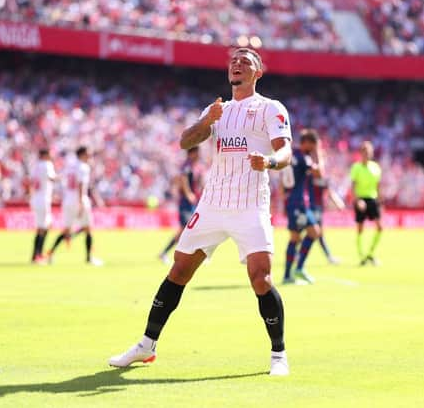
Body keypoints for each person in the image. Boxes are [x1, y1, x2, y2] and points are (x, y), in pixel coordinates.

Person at [109, 48, 293, 376]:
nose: (237, 64)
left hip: (250, 205)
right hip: (212, 204)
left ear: (258, 72)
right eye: (234, 61)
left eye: (246, 61)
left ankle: (278, 354)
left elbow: (286, 153)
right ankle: (146, 345)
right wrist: (208, 121)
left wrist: (268, 162)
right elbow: (185, 141)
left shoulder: (270, 108)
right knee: (178, 271)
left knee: (260, 278)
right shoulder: (216, 109)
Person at [47, 146, 102, 266]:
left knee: (66, 230)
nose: (89, 156)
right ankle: (89, 258)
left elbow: (61, 178)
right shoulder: (83, 167)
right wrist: (82, 202)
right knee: (88, 229)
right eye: (88, 154)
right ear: (82, 154)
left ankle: (50, 253)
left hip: (67, 201)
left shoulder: (70, 165)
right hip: (79, 200)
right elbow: (81, 184)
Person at [280, 129, 321, 285]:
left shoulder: (292, 155)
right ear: (308, 143)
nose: (313, 148)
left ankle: (289, 274)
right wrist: (319, 154)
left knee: (298, 237)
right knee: (311, 233)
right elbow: (319, 174)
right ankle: (296, 270)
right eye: (313, 145)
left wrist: (284, 201)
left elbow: (284, 181)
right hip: (299, 203)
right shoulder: (304, 158)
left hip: (293, 202)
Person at [158, 146, 204, 265]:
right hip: (185, 202)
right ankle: (167, 253)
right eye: (197, 153)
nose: (199, 155)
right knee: (186, 228)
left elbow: (196, 182)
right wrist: (189, 193)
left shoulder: (195, 166)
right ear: (192, 153)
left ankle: (194, 254)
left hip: (192, 202)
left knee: (188, 228)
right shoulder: (187, 165)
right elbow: (183, 179)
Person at [305, 136, 345, 265]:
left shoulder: (319, 169)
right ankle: (300, 259)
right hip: (310, 204)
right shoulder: (311, 167)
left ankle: (299, 258)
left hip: (317, 205)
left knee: (316, 232)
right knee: (314, 231)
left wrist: (336, 201)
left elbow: (326, 188)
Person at [350, 140, 383, 266]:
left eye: (369, 152)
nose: (367, 154)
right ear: (361, 153)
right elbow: (353, 186)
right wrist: (357, 200)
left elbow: (378, 186)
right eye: (364, 152)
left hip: (372, 199)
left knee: (380, 228)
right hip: (361, 199)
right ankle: (362, 255)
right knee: (360, 229)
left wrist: (380, 201)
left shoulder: (376, 167)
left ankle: (370, 253)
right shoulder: (356, 167)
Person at [29, 148, 57, 264]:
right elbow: (52, 178)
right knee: (42, 228)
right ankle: (37, 255)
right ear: (45, 154)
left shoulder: (35, 166)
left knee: (46, 226)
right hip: (43, 199)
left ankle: (38, 254)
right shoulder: (47, 164)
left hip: (36, 199)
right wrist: (63, 176)